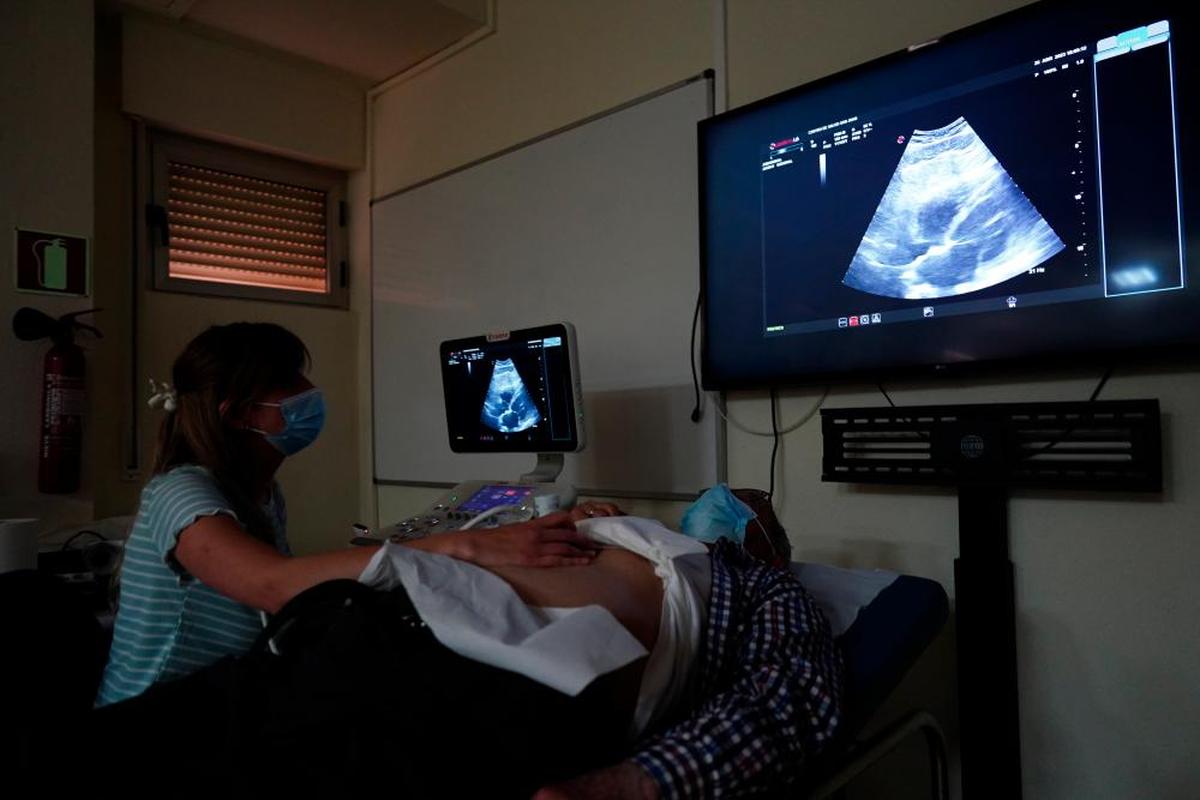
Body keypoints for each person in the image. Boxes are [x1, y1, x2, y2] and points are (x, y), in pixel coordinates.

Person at [97, 322, 601, 707]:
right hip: (152, 720)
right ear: (239, 413)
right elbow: (273, 585)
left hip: (219, 694)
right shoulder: (181, 492)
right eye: (290, 381)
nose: (309, 391)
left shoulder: (260, 494)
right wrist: (464, 544)